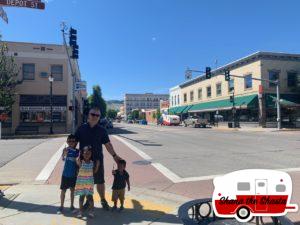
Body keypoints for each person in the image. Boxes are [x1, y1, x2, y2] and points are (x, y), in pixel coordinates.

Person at [75, 107, 122, 210]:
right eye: (93, 114)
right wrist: (74, 156)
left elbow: (107, 144)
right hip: (84, 162)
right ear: (88, 115)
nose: (95, 117)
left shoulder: (102, 130)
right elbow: (74, 143)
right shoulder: (81, 128)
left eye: (97, 115)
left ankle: (103, 200)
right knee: (87, 183)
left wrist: (114, 155)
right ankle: (88, 200)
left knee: (100, 182)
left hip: (97, 161)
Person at [57, 134, 79, 214]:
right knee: (63, 191)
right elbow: (63, 159)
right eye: (69, 141)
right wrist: (64, 154)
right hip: (65, 174)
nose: (71, 143)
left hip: (73, 175)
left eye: (73, 141)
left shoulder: (77, 151)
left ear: (76, 142)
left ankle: (72, 206)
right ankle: (61, 206)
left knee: (72, 191)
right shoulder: (65, 149)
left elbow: (78, 162)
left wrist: (77, 160)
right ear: (67, 141)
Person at [75, 146, 99, 218]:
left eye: (88, 153)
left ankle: (91, 211)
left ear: (91, 154)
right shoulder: (81, 162)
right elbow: (77, 160)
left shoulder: (92, 163)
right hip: (81, 184)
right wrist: (78, 156)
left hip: (89, 184)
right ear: (82, 154)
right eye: (85, 153)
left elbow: (94, 172)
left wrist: (97, 165)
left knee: (90, 198)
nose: (86, 155)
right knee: (81, 198)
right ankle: (80, 211)